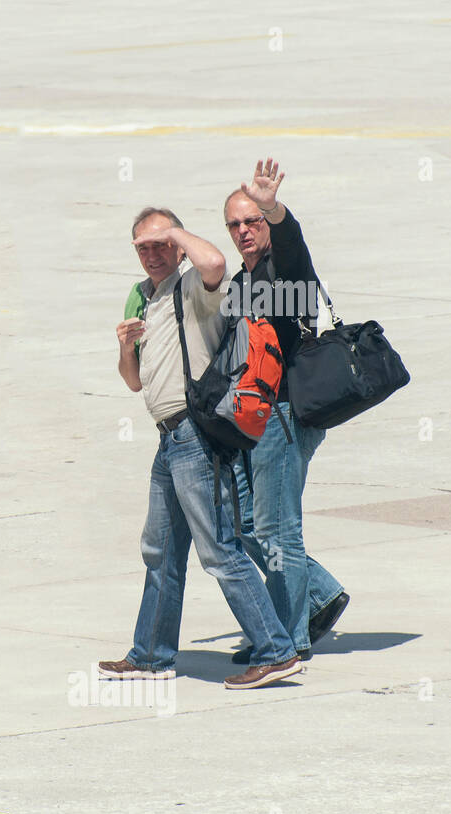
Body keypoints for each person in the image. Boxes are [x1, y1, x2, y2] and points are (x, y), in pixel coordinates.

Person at [100, 207, 303, 689]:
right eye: (142, 248)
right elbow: (132, 383)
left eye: (160, 245)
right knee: (161, 551)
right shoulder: (143, 299)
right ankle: (150, 655)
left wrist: (172, 230)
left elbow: (213, 264)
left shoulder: (193, 287)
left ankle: (275, 651)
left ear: (176, 245)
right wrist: (126, 347)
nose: (152, 255)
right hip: (167, 439)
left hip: (194, 435)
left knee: (218, 551)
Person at [223, 159, 350, 664]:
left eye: (251, 220)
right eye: (234, 223)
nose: (243, 231)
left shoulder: (286, 266)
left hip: (286, 414)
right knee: (248, 525)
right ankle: (317, 595)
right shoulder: (240, 281)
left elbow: (293, 242)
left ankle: (287, 640)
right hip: (252, 420)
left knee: (278, 529)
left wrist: (273, 206)